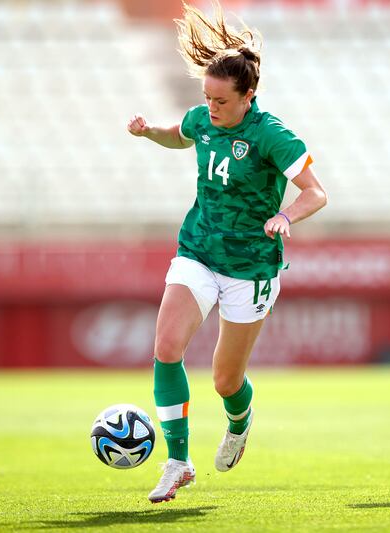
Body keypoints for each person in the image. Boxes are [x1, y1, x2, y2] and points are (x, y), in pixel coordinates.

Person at [126, 1, 327, 503]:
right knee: (166, 348)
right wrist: (151, 131)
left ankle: (239, 421)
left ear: (248, 96)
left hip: (250, 268)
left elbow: (315, 192)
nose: (210, 108)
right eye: (206, 98)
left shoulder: (271, 135)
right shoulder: (204, 118)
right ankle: (177, 462)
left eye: (220, 100)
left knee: (224, 378)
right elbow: (182, 135)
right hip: (198, 250)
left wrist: (286, 216)